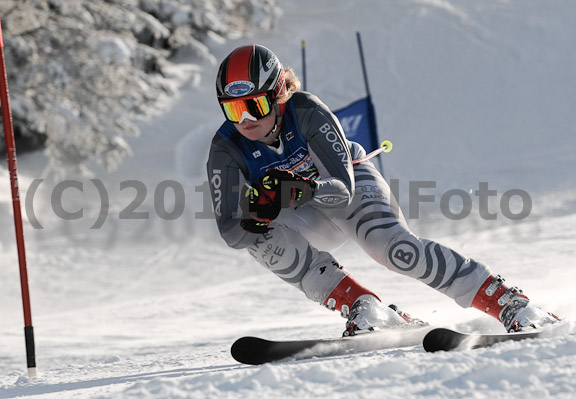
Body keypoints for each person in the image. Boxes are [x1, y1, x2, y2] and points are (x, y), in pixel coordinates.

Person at [206, 44, 558, 336]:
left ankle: (508, 301)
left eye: (255, 105)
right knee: (258, 238)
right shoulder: (226, 147)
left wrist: (298, 190)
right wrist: (255, 214)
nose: (245, 121)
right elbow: (230, 231)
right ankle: (365, 307)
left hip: (349, 186)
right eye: (233, 108)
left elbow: (342, 190)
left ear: (279, 95)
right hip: (306, 214)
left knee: (391, 247)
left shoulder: (307, 111)